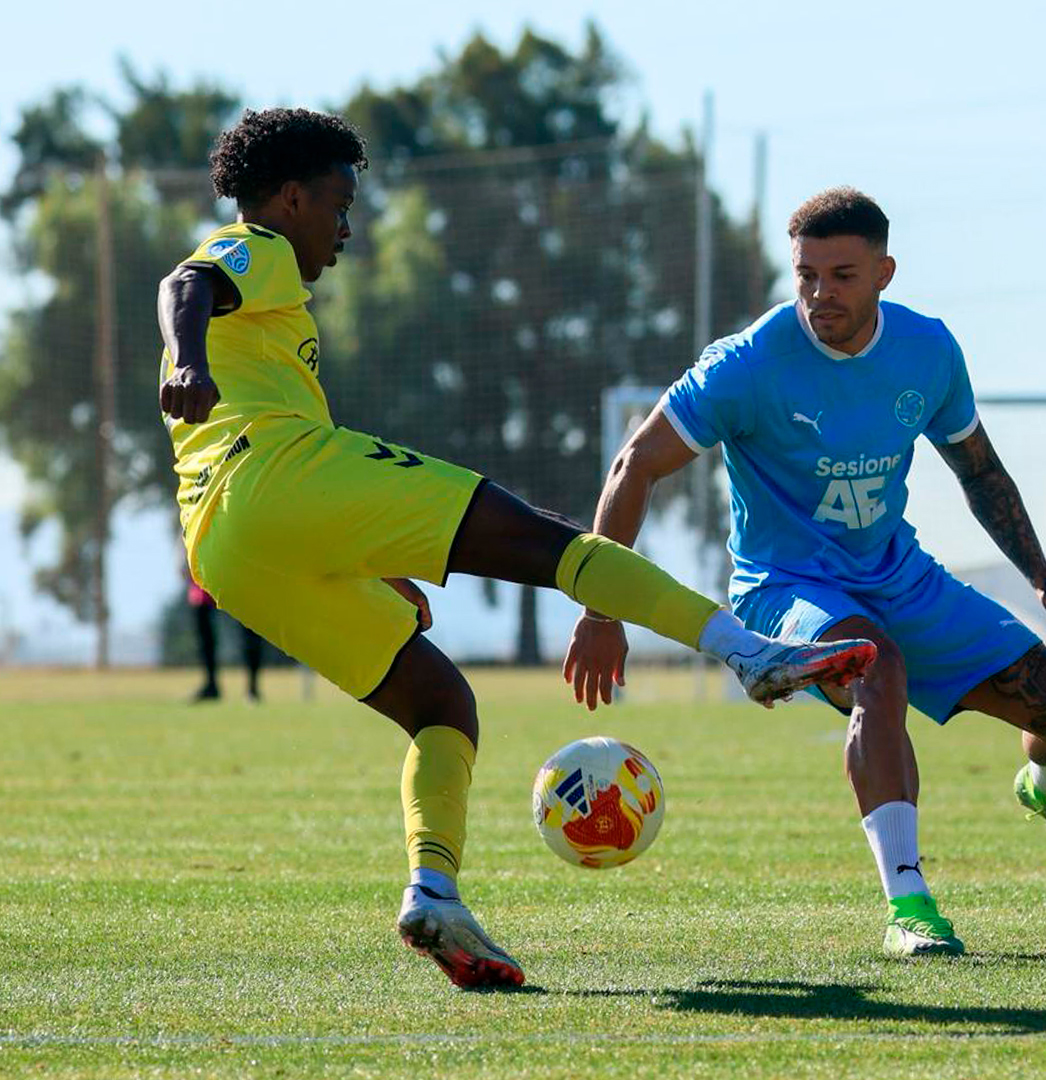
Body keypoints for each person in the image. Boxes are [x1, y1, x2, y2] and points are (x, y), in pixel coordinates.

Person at [154, 109, 876, 989]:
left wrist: (369, 561)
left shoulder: (273, 306)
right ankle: (748, 652)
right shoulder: (255, 245)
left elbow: (267, 450)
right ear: (293, 195)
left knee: (440, 702)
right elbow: (184, 285)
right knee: (548, 542)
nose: (346, 227)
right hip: (271, 471)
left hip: (225, 548)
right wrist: (185, 360)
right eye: (340, 204)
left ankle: (435, 891)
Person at [564, 187, 1046, 960]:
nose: (821, 294)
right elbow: (635, 466)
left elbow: (980, 470)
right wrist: (601, 611)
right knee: (875, 667)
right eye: (806, 276)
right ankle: (910, 906)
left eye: (843, 275)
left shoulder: (928, 351)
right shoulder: (747, 364)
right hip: (785, 588)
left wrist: (1042, 579)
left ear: (885, 272)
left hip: (900, 574)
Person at [185, 564, 264, 704]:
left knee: (250, 631)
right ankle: (211, 684)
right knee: (205, 637)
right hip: (205, 571)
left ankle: (252, 688)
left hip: (239, 570)